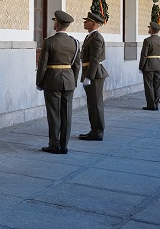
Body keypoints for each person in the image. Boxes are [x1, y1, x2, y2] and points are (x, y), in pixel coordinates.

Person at [36, 10, 81, 154]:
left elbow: (42, 64)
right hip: (69, 80)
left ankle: (54, 144)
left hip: (52, 80)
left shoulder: (49, 42)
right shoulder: (75, 42)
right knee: (67, 114)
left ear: (56, 24)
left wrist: (39, 81)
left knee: (54, 114)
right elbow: (77, 65)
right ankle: (64, 145)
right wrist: (73, 81)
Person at [78, 11, 107, 141]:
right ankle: (94, 130)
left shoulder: (96, 37)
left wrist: (89, 76)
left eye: (87, 21)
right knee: (92, 103)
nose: (84, 22)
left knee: (95, 104)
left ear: (93, 23)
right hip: (91, 72)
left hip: (94, 74)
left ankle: (97, 132)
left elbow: (95, 58)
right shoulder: (90, 36)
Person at [139, 21, 160, 110]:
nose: (148, 29)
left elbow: (144, 55)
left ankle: (151, 105)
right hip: (158, 64)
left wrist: (141, 66)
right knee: (157, 85)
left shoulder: (147, 40)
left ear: (152, 29)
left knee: (149, 85)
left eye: (149, 27)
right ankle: (156, 104)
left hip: (149, 65)